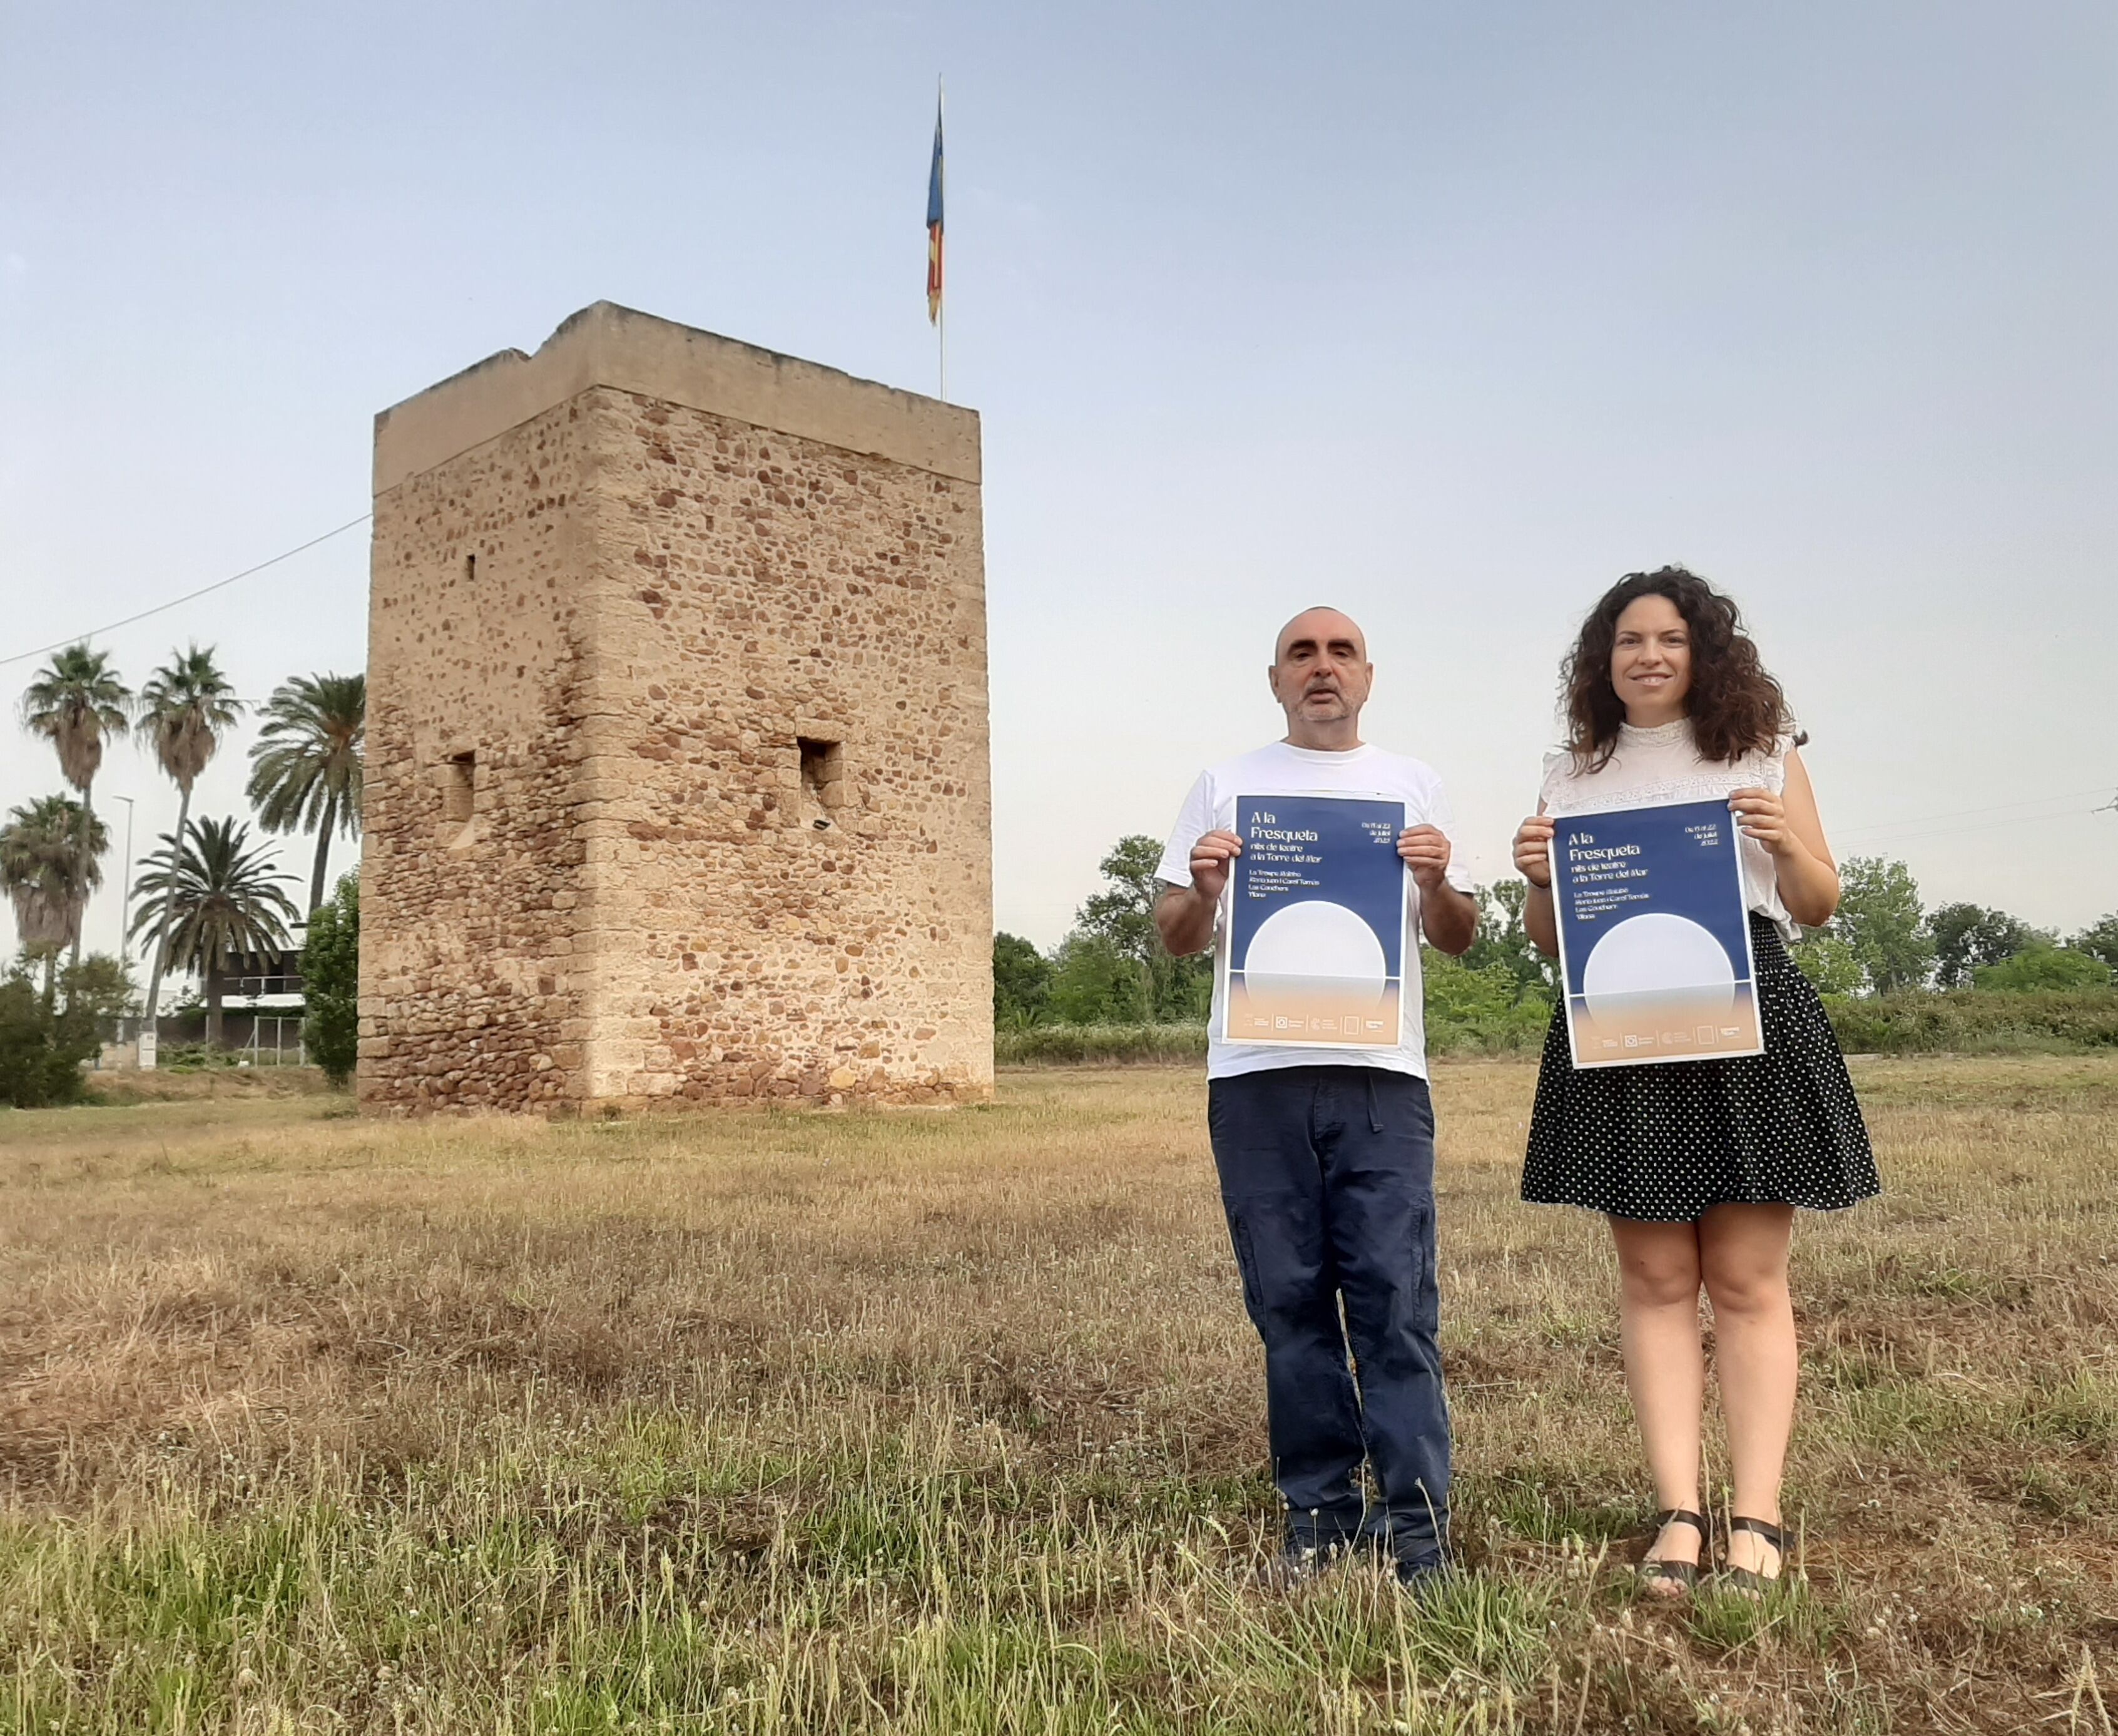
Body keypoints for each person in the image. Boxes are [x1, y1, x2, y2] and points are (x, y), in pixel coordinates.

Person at [1511, 566, 1878, 1597]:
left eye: (1669, 638)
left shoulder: (1761, 751)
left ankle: (1756, 1516)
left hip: (1745, 1013)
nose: (1649, 655)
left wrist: (1785, 840)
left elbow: (1817, 900)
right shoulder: (1570, 775)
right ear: (1602, 660)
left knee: (1748, 1282)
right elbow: (1550, 939)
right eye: (1629, 640)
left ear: (1701, 651)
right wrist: (1535, 879)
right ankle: (1677, 1510)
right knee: (1656, 1281)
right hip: (1619, 1025)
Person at [1155, 606, 1478, 1586]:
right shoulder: (1224, 785)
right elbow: (1174, 933)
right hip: (1256, 1076)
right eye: (1302, 653)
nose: (1322, 667)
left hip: (1382, 1077)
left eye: (1340, 652)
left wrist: (1437, 882)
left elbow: (1457, 934)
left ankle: (1418, 1530)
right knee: (1289, 1305)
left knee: (1394, 1301)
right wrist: (1205, 888)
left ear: (1367, 676)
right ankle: (1321, 1517)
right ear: (1275, 678)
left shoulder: (1411, 784)